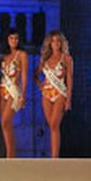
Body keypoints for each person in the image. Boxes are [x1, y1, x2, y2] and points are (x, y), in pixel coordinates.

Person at [38, 30, 73, 159]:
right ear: (49, 43)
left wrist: (68, 99)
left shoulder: (67, 59)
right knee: (51, 126)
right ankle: (53, 156)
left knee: (54, 124)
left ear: (62, 43)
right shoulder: (45, 59)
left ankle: (54, 157)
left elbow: (69, 79)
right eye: (53, 41)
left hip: (60, 93)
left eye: (58, 41)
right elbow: (36, 75)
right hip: (46, 93)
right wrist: (40, 85)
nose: (56, 43)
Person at [0, 28, 28, 159]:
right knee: (5, 123)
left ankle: (10, 154)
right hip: (2, 90)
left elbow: (24, 76)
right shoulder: (4, 56)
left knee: (5, 120)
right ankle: (10, 154)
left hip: (14, 91)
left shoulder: (22, 55)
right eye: (11, 38)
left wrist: (23, 95)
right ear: (7, 40)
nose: (14, 41)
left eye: (16, 38)